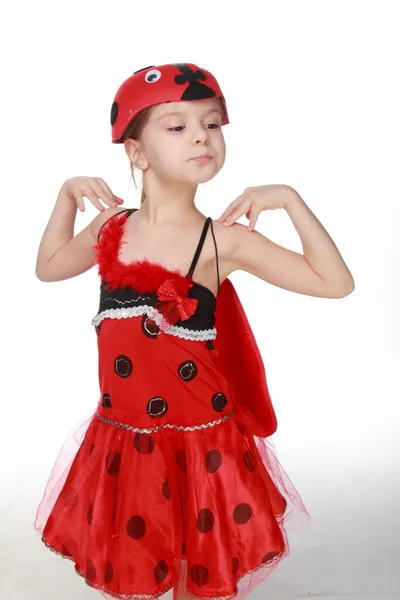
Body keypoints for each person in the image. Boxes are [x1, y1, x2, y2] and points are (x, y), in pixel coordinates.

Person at [34, 63, 354, 600]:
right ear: (135, 153)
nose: (203, 135)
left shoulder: (222, 241)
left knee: (196, 567)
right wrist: (67, 196)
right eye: (176, 126)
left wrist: (292, 201)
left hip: (202, 443)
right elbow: (49, 267)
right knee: (143, 554)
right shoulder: (110, 227)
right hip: (126, 439)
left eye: (212, 123)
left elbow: (335, 283)